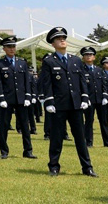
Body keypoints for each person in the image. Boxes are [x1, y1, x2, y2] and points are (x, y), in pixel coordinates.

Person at [38, 27, 96, 177]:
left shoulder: (76, 60)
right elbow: (47, 83)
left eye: (64, 38)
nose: (62, 40)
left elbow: (82, 81)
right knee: (57, 137)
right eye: (58, 39)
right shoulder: (49, 61)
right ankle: (54, 166)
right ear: (52, 43)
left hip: (76, 105)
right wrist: (49, 101)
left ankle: (87, 167)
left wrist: (85, 97)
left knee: (80, 138)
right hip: (59, 105)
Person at [0, 36, 36, 160]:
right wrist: (1, 98)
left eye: (13, 46)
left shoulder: (22, 62)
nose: (12, 49)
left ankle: (28, 151)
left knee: (24, 125)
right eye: (9, 47)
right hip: (7, 99)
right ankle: (4, 151)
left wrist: (28, 96)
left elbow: (26, 81)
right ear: (4, 48)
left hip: (21, 98)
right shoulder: (0, 63)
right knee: (4, 125)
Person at [80, 46, 108, 148]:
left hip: (100, 99)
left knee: (104, 121)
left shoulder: (99, 70)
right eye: (86, 55)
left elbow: (104, 84)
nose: (88, 56)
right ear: (83, 58)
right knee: (89, 121)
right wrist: (84, 99)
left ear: (94, 57)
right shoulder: (81, 70)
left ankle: (107, 142)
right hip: (89, 100)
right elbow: (81, 85)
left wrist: (105, 96)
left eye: (90, 55)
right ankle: (88, 142)